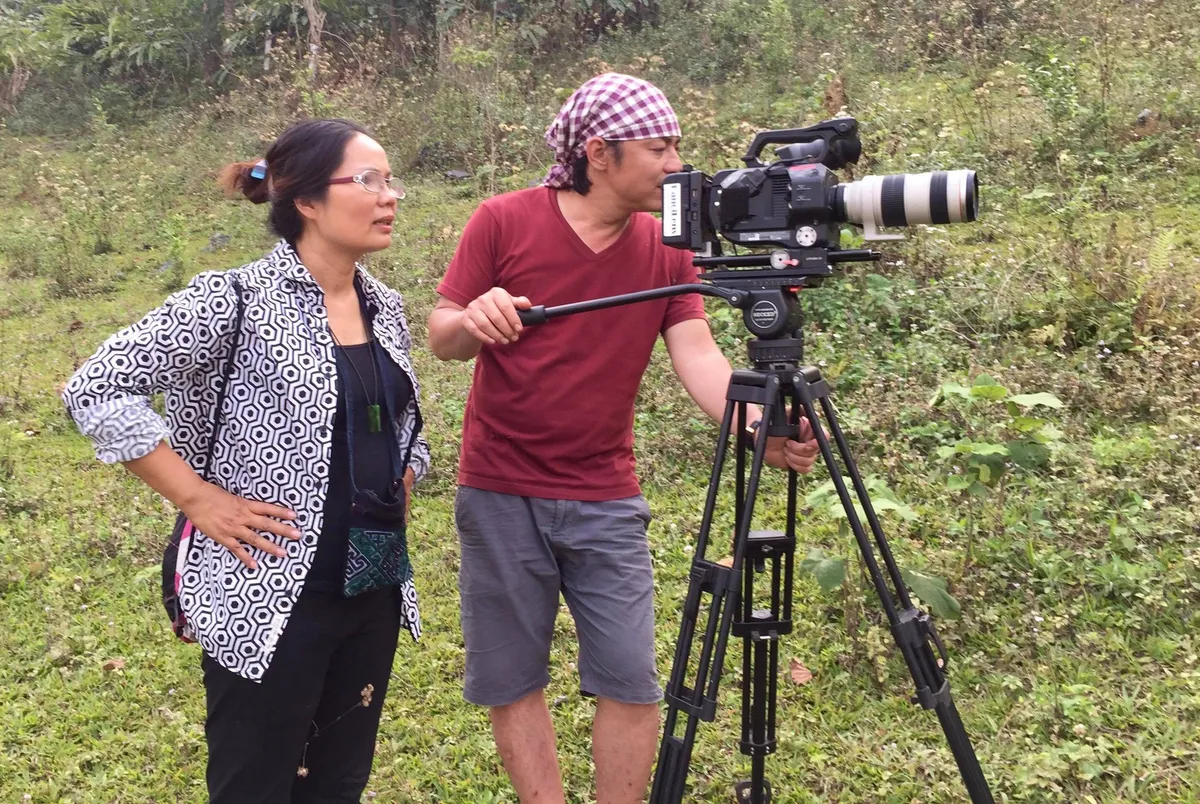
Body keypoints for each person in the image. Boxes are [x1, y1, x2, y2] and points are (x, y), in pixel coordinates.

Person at [427, 73, 820, 803]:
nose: (677, 162)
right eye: (660, 146)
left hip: (605, 492)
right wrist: (472, 319)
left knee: (631, 678)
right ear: (599, 154)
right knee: (513, 677)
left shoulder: (666, 248)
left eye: (676, 144)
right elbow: (443, 334)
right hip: (500, 488)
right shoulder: (504, 221)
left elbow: (698, 356)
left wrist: (759, 427)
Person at [62, 118, 429, 803]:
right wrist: (198, 498)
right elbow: (95, 388)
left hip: (373, 585)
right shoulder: (231, 301)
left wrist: (408, 471)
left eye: (390, 180)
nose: (390, 197)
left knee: (338, 782)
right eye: (368, 180)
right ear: (309, 202)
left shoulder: (385, 307)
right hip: (271, 592)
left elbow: (402, 423)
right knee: (254, 784)